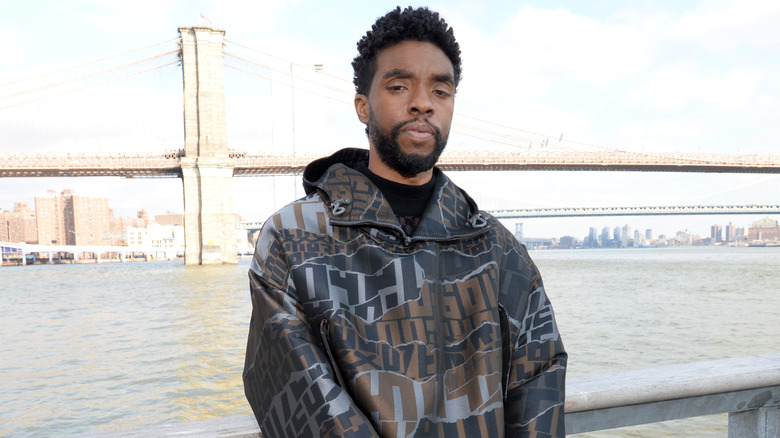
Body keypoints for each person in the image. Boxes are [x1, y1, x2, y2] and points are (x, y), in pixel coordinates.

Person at [243, 6, 567, 437]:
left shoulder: (499, 250)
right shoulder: (294, 239)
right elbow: (300, 399)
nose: (422, 103)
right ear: (363, 106)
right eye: (398, 86)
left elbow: (538, 384)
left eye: (441, 91)